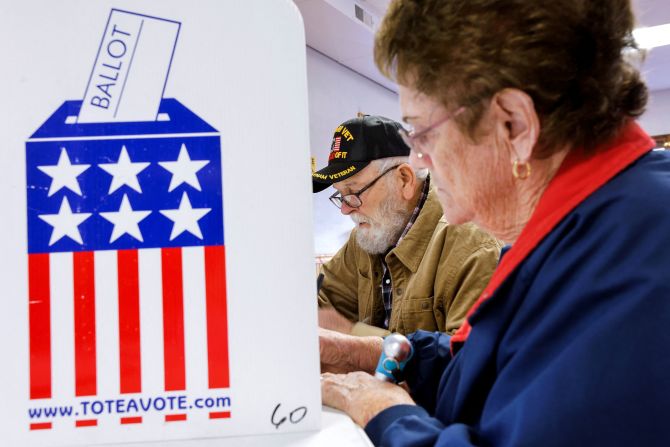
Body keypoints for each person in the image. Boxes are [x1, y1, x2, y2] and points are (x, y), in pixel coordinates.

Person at [320, 1, 670, 446]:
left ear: (514, 124)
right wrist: (368, 351)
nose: (419, 160)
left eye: (423, 133)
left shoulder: (639, 266)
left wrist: (384, 412)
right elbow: (505, 363)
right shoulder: (574, 223)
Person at [313, 114, 501, 337]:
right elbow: (318, 307)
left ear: (404, 179)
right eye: (341, 195)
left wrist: (359, 340)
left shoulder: (472, 245)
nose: (345, 209)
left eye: (353, 192)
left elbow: (468, 359)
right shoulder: (365, 238)